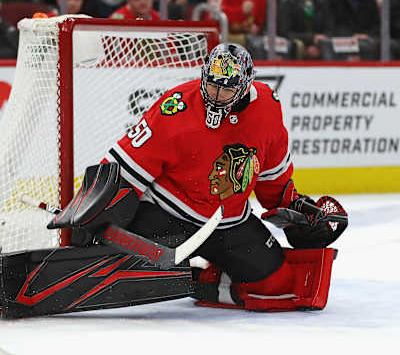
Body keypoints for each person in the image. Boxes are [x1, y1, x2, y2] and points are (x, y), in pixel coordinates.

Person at [64, 43, 347, 311]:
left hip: (227, 221)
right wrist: (93, 214)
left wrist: (294, 208)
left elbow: (272, 177)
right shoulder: (175, 108)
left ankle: (202, 281)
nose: (215, 95)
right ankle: (151, 269)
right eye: (211, 84)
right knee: (138, 272)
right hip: (166, 214)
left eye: (226, 89)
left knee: (276, 287)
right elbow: (124, 168)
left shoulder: (268, 111)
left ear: (246, 85)